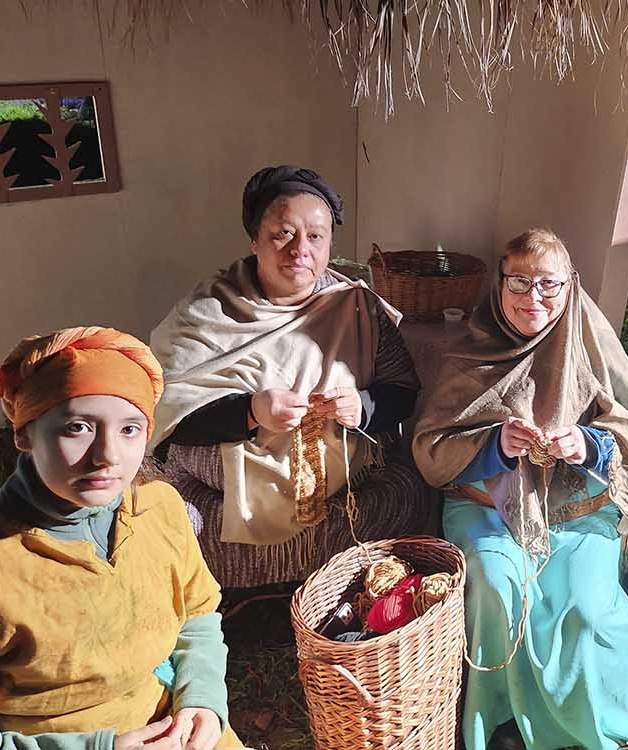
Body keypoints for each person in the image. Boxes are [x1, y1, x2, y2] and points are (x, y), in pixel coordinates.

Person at [0, 327, 240, 750]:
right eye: (78, 427)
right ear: (24, 434)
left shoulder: (159, 508)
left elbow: (196, 614)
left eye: (130, 429)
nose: (107, 455)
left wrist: (202, 698)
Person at [413, 229, 628, 750]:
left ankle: (611, 703)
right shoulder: (466, 352)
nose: (533, 297)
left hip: (577, 509)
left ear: (569, 285)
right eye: (519, 282)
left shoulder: (591, 344)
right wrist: (494, 444)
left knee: (583, 608)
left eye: (549, 284)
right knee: (495, 587)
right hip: (486, 508)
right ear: (499, 285)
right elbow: (430, 445)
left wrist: (589, 444)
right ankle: (502, 720)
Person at [149, 165, 438, 589]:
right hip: (226, 494)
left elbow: (402, 392)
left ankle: (319, 578)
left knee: (406, 490)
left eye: (316, 236)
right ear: (255, 240)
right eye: (283, 234)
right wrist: (251, 412)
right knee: (176, 522)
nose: (300, 249)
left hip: (340, 485)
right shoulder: (206, 313)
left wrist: (363, 406)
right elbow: (170, 417)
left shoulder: (357, 308)